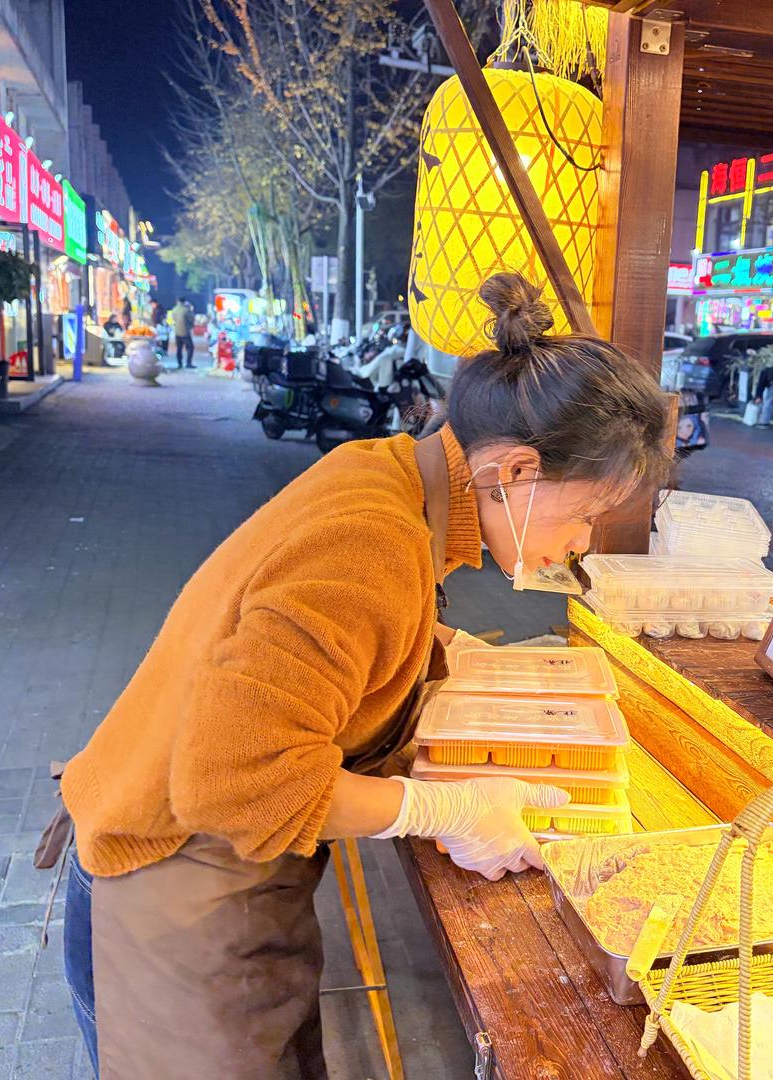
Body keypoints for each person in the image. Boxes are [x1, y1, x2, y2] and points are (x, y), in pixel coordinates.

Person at [58, 272, 670, 1079]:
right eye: (585, 513)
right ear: (516, 473)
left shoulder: (388, 471)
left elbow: (332, 633)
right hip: (168, 884)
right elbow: (233, 783)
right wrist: (443, 807)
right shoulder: (373, 541)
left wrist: (447, 646)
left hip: (193, 869)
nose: (582, 542)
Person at [171, 296, 195, 368]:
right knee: (190, 347)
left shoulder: (174, 309)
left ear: (178, 301)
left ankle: (179, 363)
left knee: (179, 348)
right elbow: (191, 319)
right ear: (185, 301)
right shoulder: (186, 310)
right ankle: (188, 363)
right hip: (185, 332)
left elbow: (173, 319)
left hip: (177, 332)